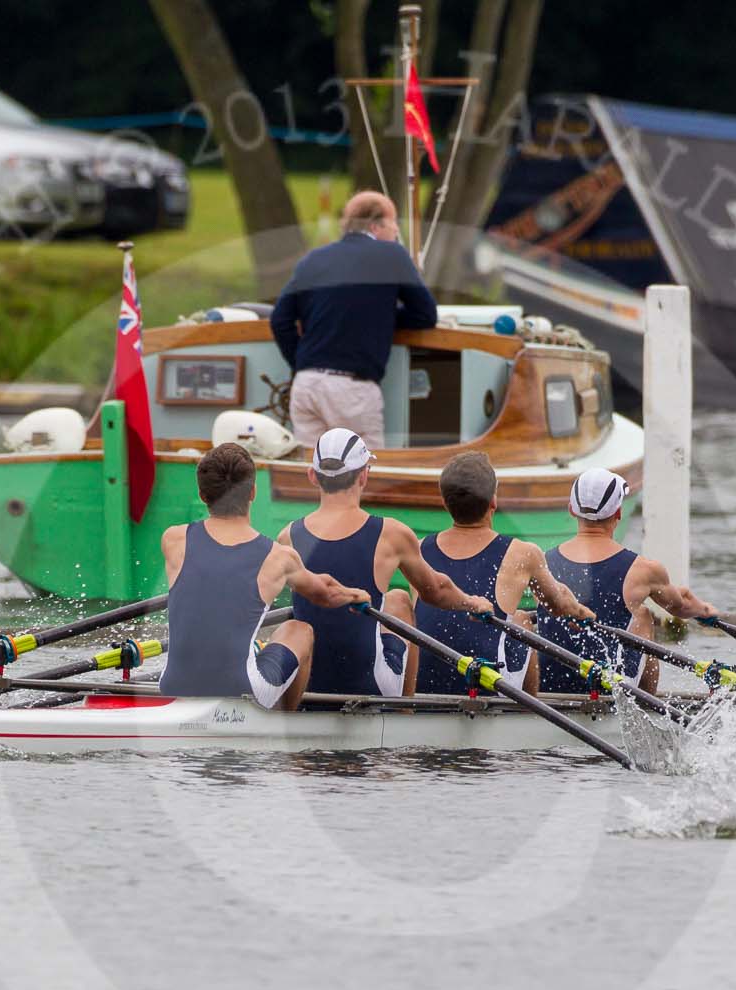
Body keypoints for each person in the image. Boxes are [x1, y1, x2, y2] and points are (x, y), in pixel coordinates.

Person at [278, 428, 494, 697]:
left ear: (312, 476)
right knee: (400, 599)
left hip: (310, 686)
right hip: (369, 686)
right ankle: (405, 708)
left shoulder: (287, 536)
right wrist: (472, 602)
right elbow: (435, 591)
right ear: (364, 475)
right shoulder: (391, 534)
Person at [159, 443, 368, 710]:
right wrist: (356, 595)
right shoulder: (280, 557)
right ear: (253, 493)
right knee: (299, 629)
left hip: (171, 686)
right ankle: (283, 726)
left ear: (202, 495)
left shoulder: (174, 539)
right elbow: (325, 595)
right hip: (241, 689)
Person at [409, 451, 594, 696]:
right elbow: (558, 605)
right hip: (488, 687)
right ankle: (526, 715)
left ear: (445, 503)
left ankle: (405, 702)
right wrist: (582, 613)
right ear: (493, 501)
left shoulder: (418, 548)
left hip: (425, 686)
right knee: (522, 620)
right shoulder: (523, 553)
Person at [269, 190, 439, 450]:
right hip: (353, 391)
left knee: (313, 474)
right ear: (375, 225)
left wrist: (303, 362)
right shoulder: (391, 255)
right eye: (394, 224)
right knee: (364, 475)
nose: (396, 233)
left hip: (306, 385)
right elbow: (426, 315)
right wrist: (383, 317)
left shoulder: (312, 260)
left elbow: (280, 319)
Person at [533, 468, 720, 694]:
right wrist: (705, 611)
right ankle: (646, 704)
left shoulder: (542, 562)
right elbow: (680, 606)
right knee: (642, 616)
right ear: (618, 513)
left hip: (548, 687)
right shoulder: (644, 570)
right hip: (608, 687)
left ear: (572, 509)